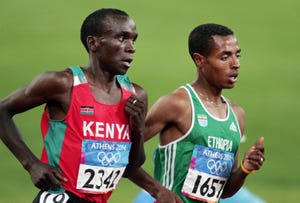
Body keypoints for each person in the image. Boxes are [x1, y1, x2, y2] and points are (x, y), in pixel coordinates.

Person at [0, 8, 179, 203]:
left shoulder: (135, 96)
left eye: (133, 40)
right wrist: (31, 164)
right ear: (93, 43)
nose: (131, 47)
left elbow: (129, 167)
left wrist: (137, 130)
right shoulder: (62, 84)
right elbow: (2, 110)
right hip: (60, 197)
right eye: (122, 38)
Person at [133, 23, 265, 203]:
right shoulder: (177, 104)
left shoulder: (236, 115)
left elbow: (224, 191)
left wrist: (245, 168)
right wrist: (157, 190)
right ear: (199, 60)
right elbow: (124, 154)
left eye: (237, 55)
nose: (236, 64)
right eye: (225, 57)